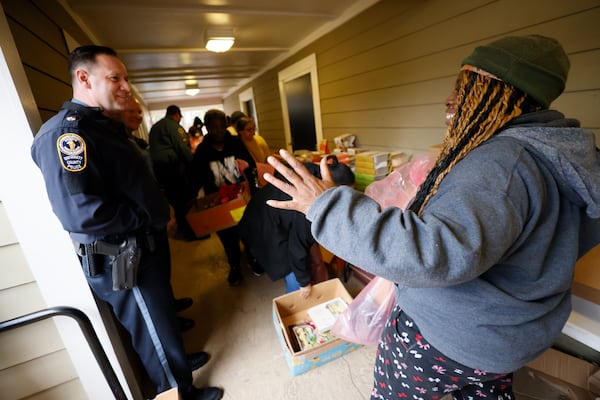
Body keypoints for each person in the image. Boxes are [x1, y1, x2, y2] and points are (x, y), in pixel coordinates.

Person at [263, 35, 600, 399]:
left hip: (454, 337)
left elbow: (429, 254)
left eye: (465, 87)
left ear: (500, 93)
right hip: (503, 338)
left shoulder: (501, 164)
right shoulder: (562, 153)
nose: (450, 99)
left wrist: (326, 205)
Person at [30, 45, 223, 400]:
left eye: (125, 78)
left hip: (139, 245)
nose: (125, 86)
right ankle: (179, 393)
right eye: (114, 78)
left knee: (161, 322)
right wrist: (146, 218)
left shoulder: (104, 128)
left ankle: (176, 362)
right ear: (84, 78)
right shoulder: (67, 135)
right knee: (152, 330)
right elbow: (82, 212)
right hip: (121, 253)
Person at [239, 155, 354, 297]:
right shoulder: (308, 207)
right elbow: (296, 248)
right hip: (261, 222)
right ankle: (293, 301)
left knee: (309, 251)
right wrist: (304, 283)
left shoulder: (314, 173)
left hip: (274, 212)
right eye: (342, 196)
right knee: (290, 267)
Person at [190, 109, 258, 286]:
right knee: (228, 237)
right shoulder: (202, 151)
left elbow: (250, 167)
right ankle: (235, 266)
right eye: (213, 128)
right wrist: (192, 199)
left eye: (221, 127)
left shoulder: (235, 143)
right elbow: (194, 178)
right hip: (219, 203)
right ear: (206, 128)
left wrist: (254, 190)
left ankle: (252, 259)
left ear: (226, 126)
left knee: (247, 231)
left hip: (239, 199)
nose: (218, 131)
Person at [149, 105, 199, 241]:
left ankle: (182, 228)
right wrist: (195, 166)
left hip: (160, 172)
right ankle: (190, 232)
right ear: (177, 115)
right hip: (175, 170)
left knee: (176, 203)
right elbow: (183, 149)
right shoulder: (173, 126)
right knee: (185, 202)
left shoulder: (155, 127)